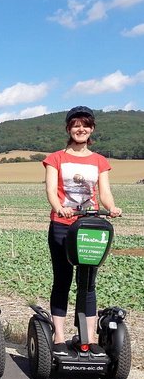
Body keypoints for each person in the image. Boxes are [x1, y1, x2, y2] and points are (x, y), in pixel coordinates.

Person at [42, 106, 122, 357]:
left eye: (85, 125)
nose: (81, 129)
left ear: (92, 129)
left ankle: (87, 336)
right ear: (68, 129)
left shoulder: (99, 161)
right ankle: (59, 337)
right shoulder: (55, 158)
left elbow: (105, 192)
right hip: (63, 226)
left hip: (90, 227)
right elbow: (51, 191)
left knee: (88, 283)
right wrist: (60, 208)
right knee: (63, 280)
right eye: (75, 124)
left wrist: (111, 207)